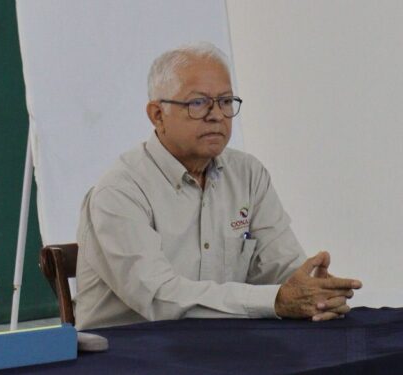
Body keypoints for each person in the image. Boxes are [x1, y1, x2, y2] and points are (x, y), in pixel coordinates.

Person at [75, 42, 362, 330]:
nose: (216, 115)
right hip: (131, 351)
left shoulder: (247, 174)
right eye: (198, 103)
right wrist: (276, 300)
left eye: (225, 101)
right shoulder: (120, 190)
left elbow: (281, 269)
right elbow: (160, 298)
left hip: (222, 345)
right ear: (157, 114)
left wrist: (316, 292)